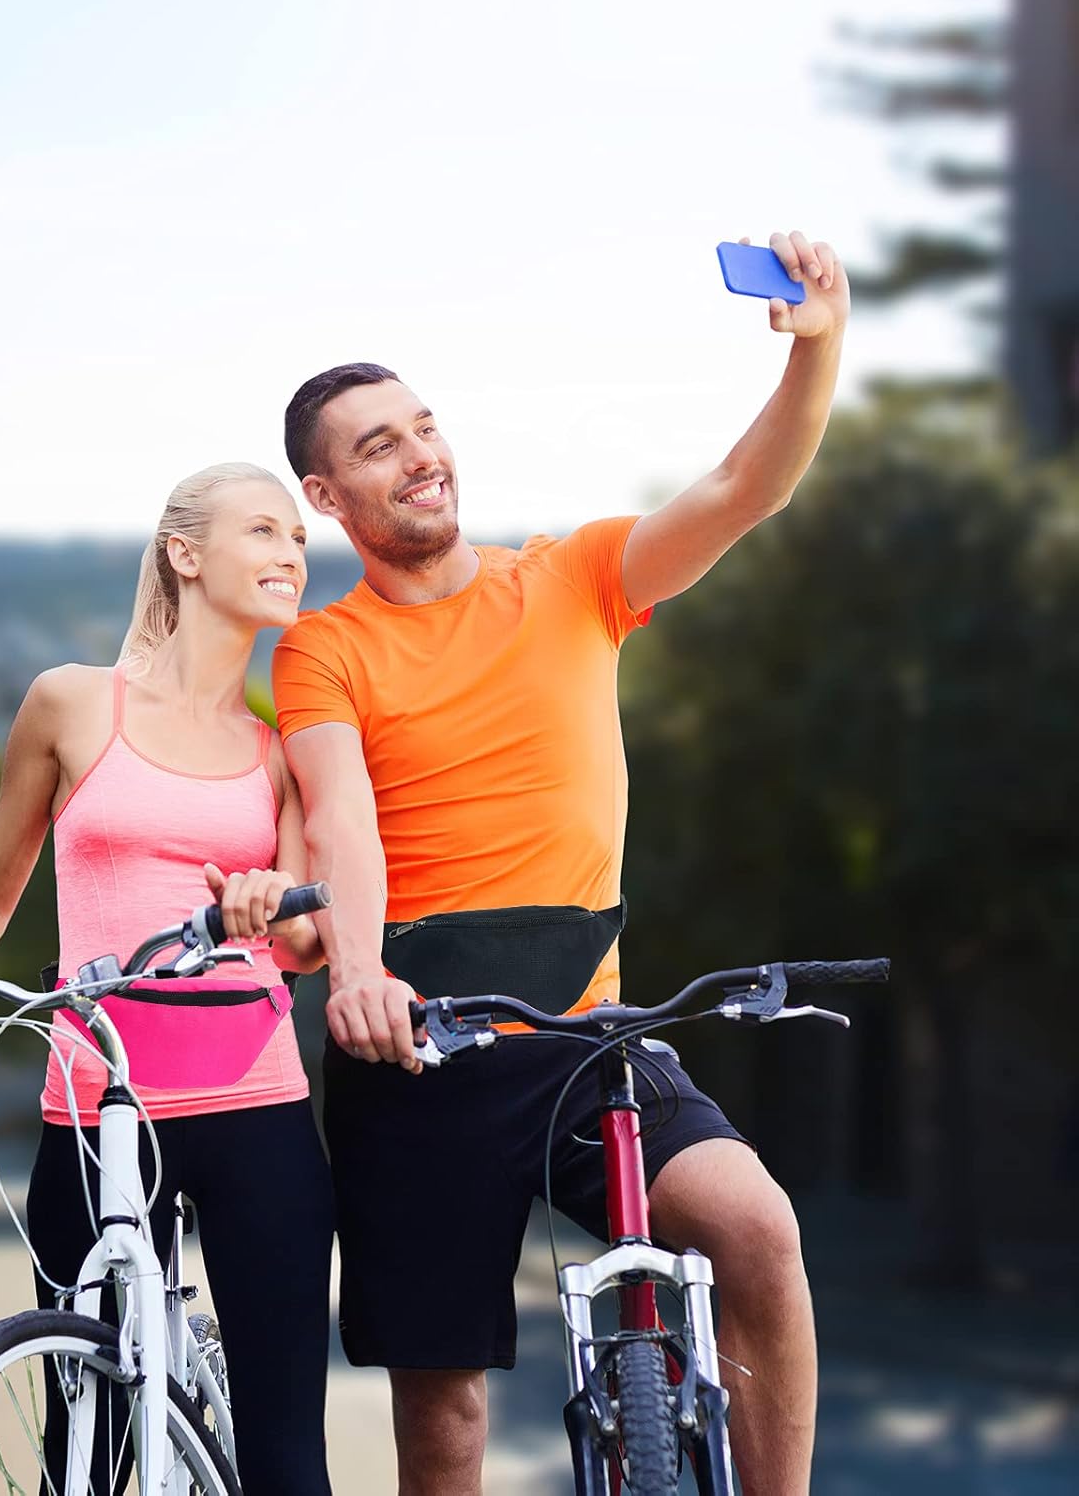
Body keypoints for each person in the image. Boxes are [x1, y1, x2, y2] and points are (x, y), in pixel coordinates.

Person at [272, 231, 849, 1496]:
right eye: (379, 445)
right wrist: (358, 973)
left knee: (755, 1226)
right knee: (447, 1428)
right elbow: (341, 820)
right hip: (417, 1051)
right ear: (327, 497)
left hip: (592, 1038)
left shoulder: (576, 575)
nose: (421, 455)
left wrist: (819, 348)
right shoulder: (323, 651)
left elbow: (748, 487)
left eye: (424, 427)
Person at [0, 462, 335, 1494]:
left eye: (297, 537)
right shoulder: (70, 705)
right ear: (186, 553)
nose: (291, 552)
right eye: (264, 530)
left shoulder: (281, 749)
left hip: (258, 1102)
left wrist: (269, 901)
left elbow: (303, 942)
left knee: (288, 1456)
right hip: (96, 1104)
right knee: (87, 1450)